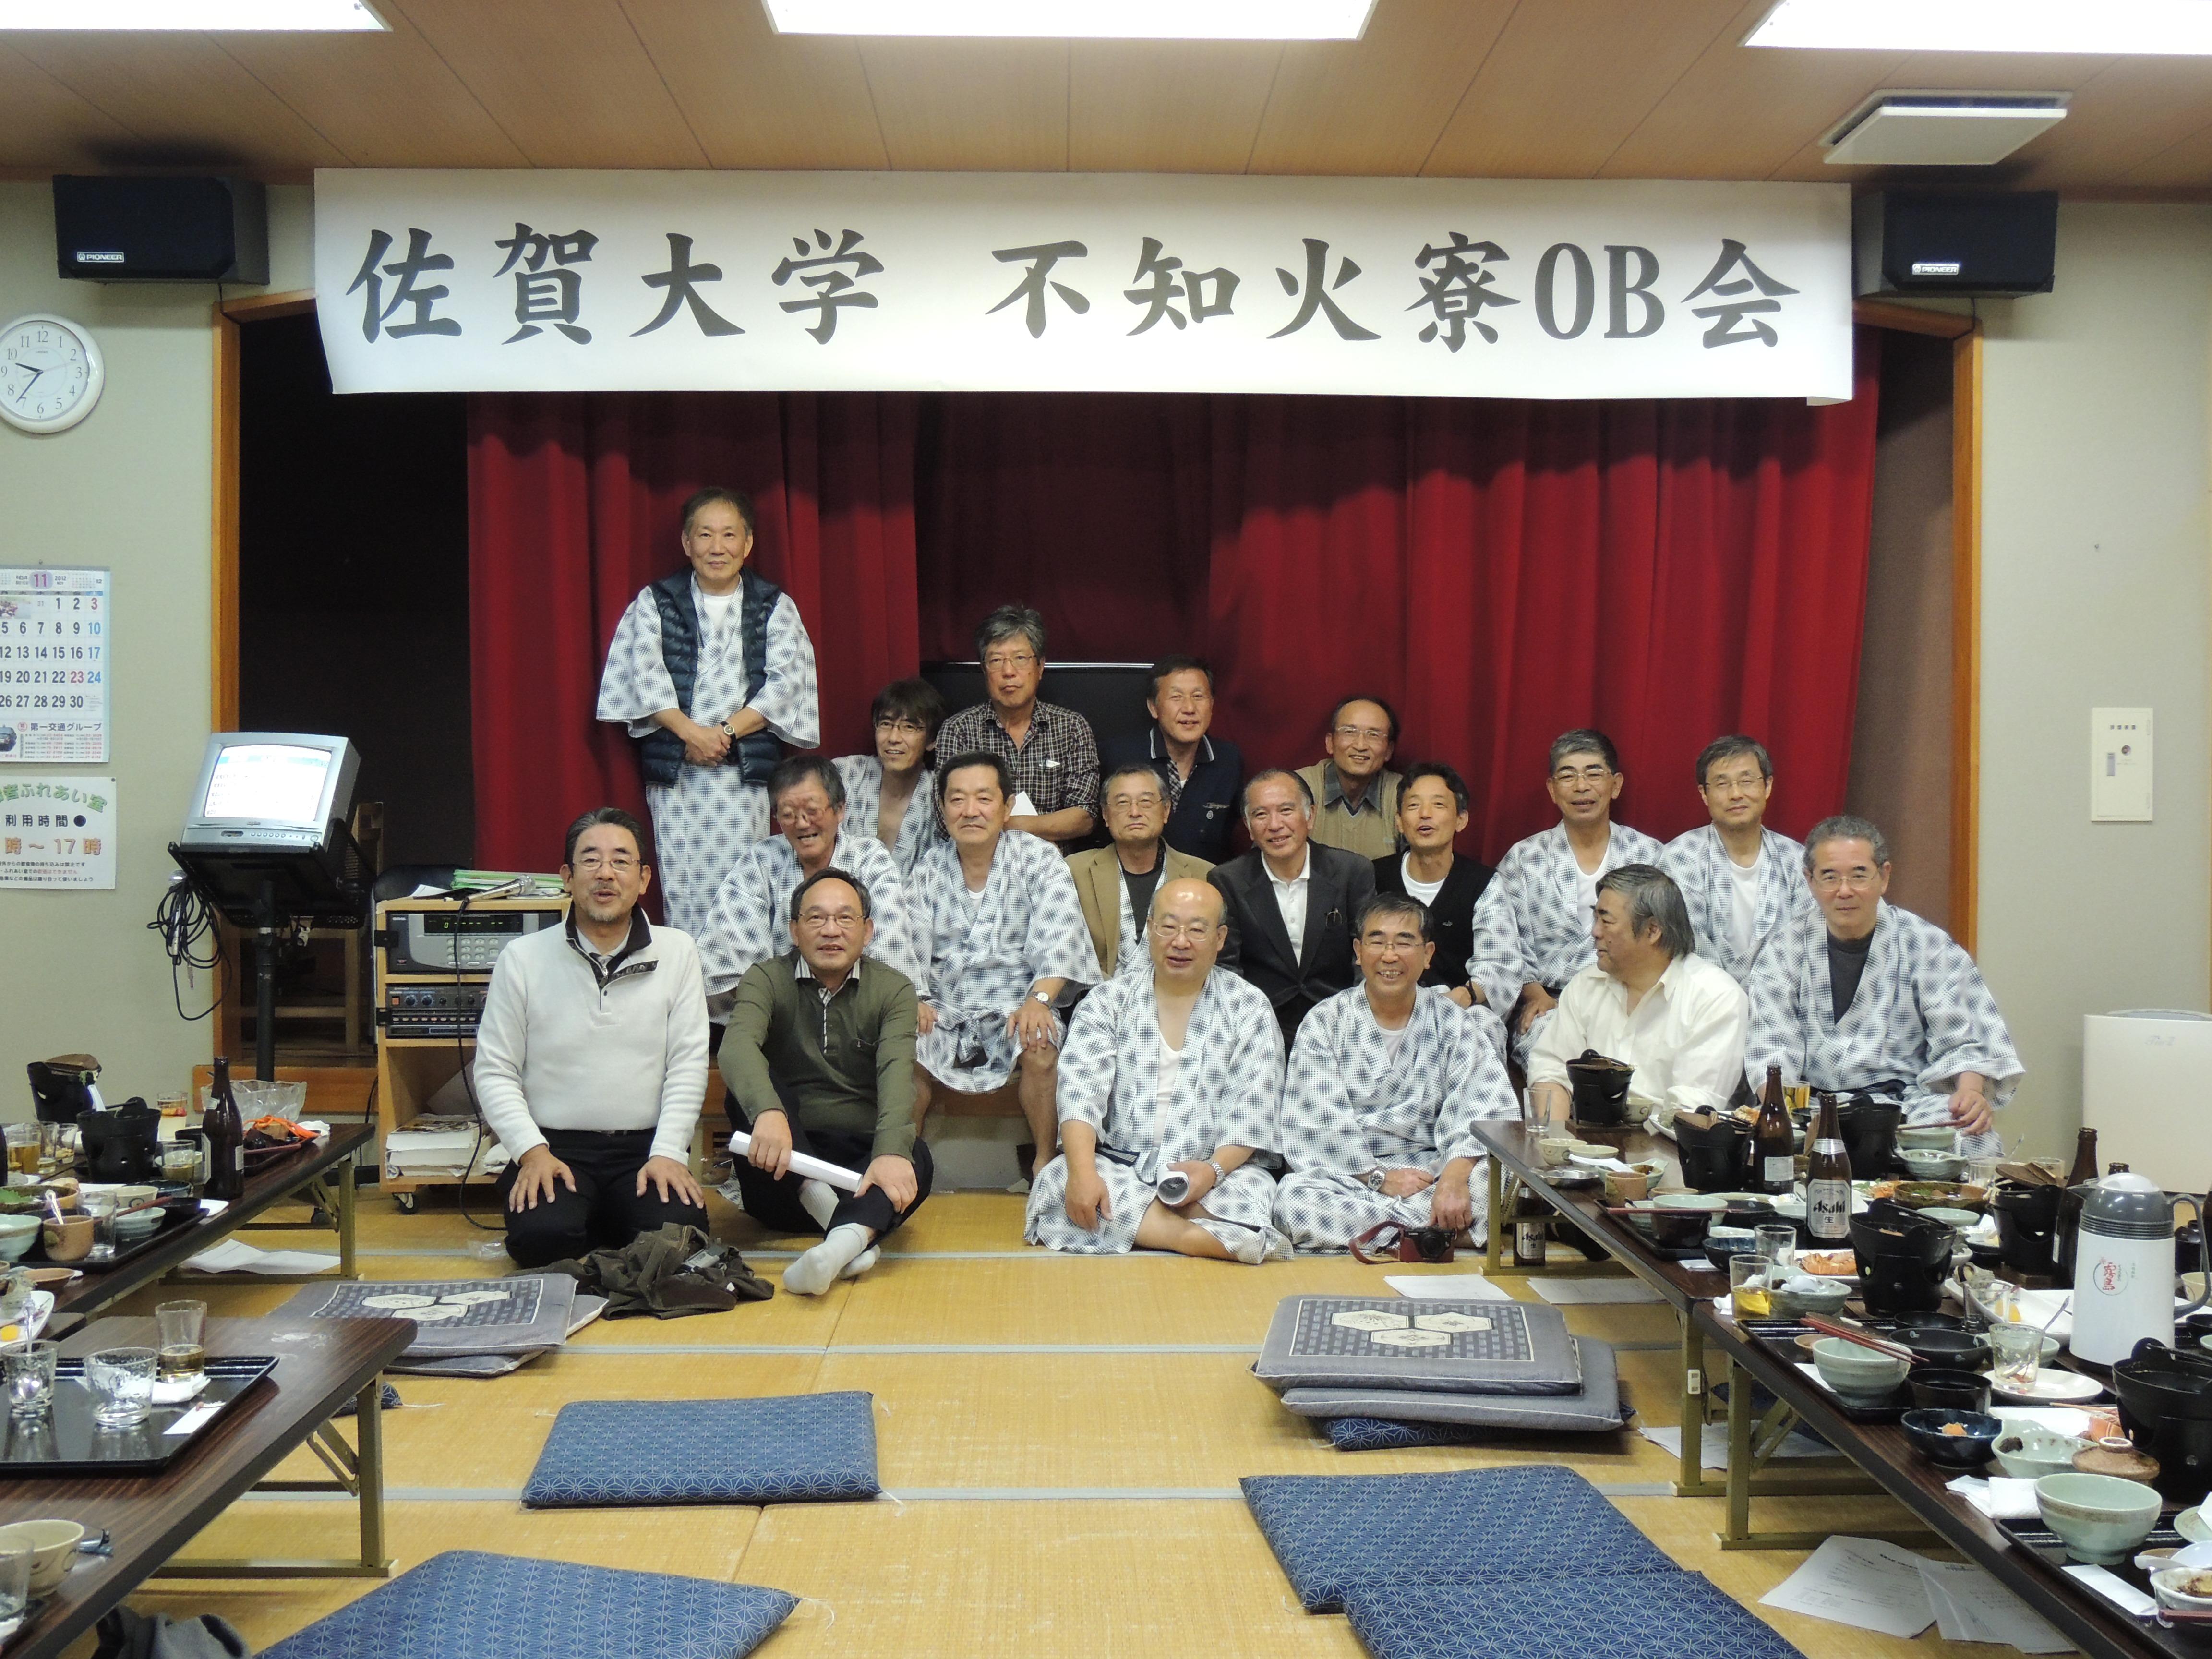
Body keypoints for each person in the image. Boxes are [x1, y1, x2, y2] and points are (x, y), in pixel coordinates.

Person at [473, 808, 710, 1268]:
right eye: (590, 860)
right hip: (555, 1149)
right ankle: (595, 1219)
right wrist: (530, 1152)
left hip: (645, 1148)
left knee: (678, 1244)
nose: (605, 873)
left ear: (644, 879)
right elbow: (495, 1070)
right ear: (567, 877)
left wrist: (668, 1152)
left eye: (621, 861)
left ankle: (607, 1218)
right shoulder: (522, 958)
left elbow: (687, 1064)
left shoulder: (678, 951)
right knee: (541, 1241)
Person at [595, 486, 820, 937]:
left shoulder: (774, 605)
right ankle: (690, 978)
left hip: (742, 773)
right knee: (683, 887)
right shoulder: (656, 601)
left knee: (746, 886)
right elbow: (644, 674)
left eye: (729, 535)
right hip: (679, 771)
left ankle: (745, 979)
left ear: (748, 543)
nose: (718, 547)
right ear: (687, 542)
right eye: (705, 535)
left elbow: (786, 684)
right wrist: (691, 735)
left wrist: (724, 733)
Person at [1025, 878, 1286, 1262]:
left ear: (1220, 938)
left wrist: (1210, 1172)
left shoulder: (1249, 1007)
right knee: (1057, 1180)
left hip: (1211, 1173)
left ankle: (1145, 1225)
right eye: (1169, 927)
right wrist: (1083, 1173)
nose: (1180, 941)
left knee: (1259, 1193)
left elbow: (1254, 1113)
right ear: (1149, 929)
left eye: (1197, 930)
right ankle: (1186, 1235)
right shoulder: (1107, 1001)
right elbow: (1080, 1096)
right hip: (1122, 1166)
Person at [1744, 815, 2020, 1154]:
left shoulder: (1928, 945)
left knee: (1975, 1141)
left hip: (1904, 1105)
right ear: (1810, 881)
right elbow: (1771, 1043)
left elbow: (1964, 1040)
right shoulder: (1783, 950)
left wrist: (1970, 1093)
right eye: (1830, 877)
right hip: (1811, 1106)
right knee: (1755, 1143)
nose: (1845, 890)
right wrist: (1780, 1112)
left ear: (1884, 876)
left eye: (1859, 875)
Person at [720, 868, 929, 1296]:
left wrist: (890, 1153)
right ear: (794, 930)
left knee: (915, 1157)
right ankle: (849, 1237)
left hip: (857, 1177)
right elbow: (735, 1047)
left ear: (867, 931)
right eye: (816, 918)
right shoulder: (766, 978)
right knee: (747, 1087)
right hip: (780, 1171)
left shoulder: (894, 990)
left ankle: (834, 1251)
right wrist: (770, 1112)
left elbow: (896, 1078)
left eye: (845, 918)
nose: (831, 930)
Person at [1273, 895, 1517, 1253]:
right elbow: (1315, 1126)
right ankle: (1441, 1235)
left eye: (1404, 942)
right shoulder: (1325, 1021)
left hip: (1433, 1171)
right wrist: (1380, 1179)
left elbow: (1487, 1110)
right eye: (1377, 942)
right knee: (1293, 1201)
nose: (1390, 956)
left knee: (1494, 1178)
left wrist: (1452, 1180)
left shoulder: (1454, 1022)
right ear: (1358, 951)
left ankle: (1390, 1235)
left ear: (1428, 954)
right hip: (1353, 1178)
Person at [910, 753, 1103, 1177]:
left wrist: (1039, 1000)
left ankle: (1045, 1163)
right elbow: (908, 948)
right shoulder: (928, 869)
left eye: (984, 798)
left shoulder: (1039, 859)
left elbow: (1061, 938)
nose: (970, 811)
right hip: (946, 1007)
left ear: (1007, 805)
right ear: (942, 808)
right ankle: (903, 1162)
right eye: (957, 799)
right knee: (904, 1045)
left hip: (1019, 1003)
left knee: (1040, 1043)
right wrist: (917, 998)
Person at [1468, 729, 1665, 1065]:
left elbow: (1665, 940)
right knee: (1556, 1056)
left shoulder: (1649, 855)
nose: (1581, 786)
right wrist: (1535, 994)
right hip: (1548, 1003)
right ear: (1552, 789)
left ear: (1616, 784)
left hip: (1632, 998)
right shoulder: (1523, 858)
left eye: (1593, 774)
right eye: (1568, 775)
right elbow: (1505, 945)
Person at [696, 754, 922, 1023]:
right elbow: (729, 961)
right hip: (780, 1012)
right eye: (789, 814)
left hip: (859, 1011)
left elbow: (890, 950)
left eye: (812, 811)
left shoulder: (871, 857)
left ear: (840, 810)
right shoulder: (761, 860)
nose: (802, 823)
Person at [1526, 865, 1750, 1123]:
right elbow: (1552, 1071)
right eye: (1595, 919)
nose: (1595, 932)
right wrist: (1555, 1137)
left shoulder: (1716, 998)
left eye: (1607, 921)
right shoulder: (1586, 985)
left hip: (1668, 1142)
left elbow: (1691, 1112)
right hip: (1583, 1140)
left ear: (1653, 931)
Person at [1210, 770, 1377, 1043]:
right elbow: (1226, 966)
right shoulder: (1228, 880)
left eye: (1286, 810)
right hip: (1261, 1021)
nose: (1275, 825)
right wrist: (1247, 1024)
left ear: (1310, 816)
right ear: (1249, 826)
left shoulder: (1352, 872)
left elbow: (1366, 955)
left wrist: (1356, 1017)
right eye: (1261, 815)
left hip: (1339, 1017)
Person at [934, 605, 1098, 849]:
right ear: (984, 670)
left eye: (1020, 659)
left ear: (1040, 667)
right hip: (977, 861)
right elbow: (945, 816)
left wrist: (1007, 823)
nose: (1008, 672)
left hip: (1054, 864)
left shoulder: (1072, 727)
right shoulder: (958, 730)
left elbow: (1084, 816)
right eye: (996, 660)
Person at [1661, 735, 1814, 985]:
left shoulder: (1797, 859)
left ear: (1767, 786)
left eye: (1746, 781)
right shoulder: (1680, 855)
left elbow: (1805, 943)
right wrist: (1730, 998)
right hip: (1701, 996)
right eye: (1722, 784)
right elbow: (1687, 945)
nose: (1735, 794)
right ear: (1704, 794)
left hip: (1781, 995)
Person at [1067, 763, 1214, 978]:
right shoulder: (1074, 871)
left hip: (1181, 992)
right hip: (1097, 994)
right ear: (1106, 815)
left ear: (1166, 811)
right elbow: (1063, 952)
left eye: (1146, 802)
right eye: (1122, 803)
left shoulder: (1205, 876)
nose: (1135, 812)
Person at [1099, 655, 1242, 863]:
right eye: (1176, 697)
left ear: (1212, 704)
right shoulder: (1118, 756)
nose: (1189, 709)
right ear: (1153, 707)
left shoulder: (1228, 759)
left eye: (1198, 696)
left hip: (1204, 878)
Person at [1371, 761, 1494, 1006]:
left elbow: (1499, 965)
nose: (1425, 814)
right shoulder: (1373, 876)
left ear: (1461, 819)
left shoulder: (1484, 884)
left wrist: (1462, 997)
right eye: (1414, 805)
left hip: (1462, 1008)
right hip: (1383, 1006)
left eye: (1438, 805)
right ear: (1399, 821)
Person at [835, 678, 947, 878]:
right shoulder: (846, 773)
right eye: (886, 724)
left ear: (932, 740)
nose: (894, 738)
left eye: (909, 727)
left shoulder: (941, 793)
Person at [1295, 696, 1405, 860]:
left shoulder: (1403, 794)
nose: (1360, 746)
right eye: (1349, 732)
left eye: (1374, 735)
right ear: (1330, 743)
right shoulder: (1297, 789)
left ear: (1389, 750)